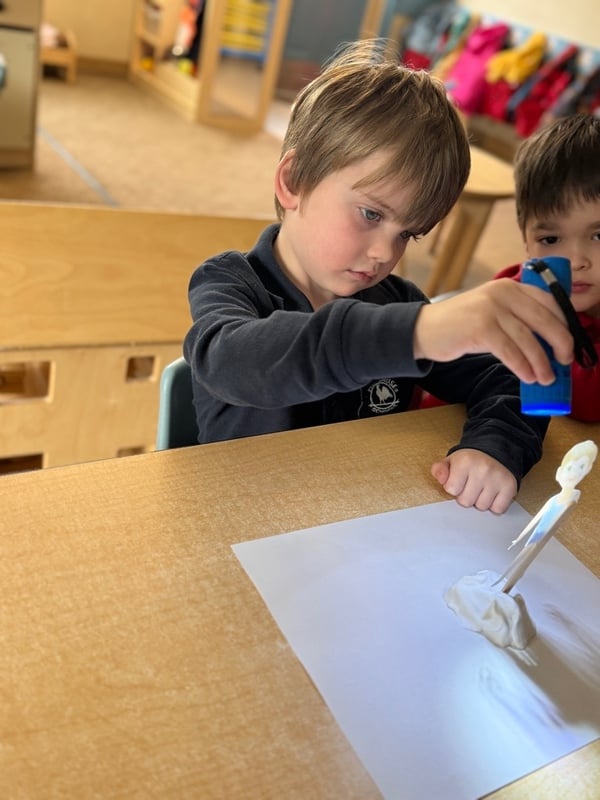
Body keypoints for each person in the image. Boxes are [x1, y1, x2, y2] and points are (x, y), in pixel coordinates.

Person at [184, 40, 574, 515]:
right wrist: (419, 332)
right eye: (371, 214)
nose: (385, 253)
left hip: (366, 523)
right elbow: (233, 363)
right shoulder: (229, 282)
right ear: (294, 181)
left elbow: (512, 379)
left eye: (407, 234)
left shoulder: (396, 301)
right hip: (241, 523)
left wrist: (495, 447)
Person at [494, 113, 600, 422]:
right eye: (550, 239)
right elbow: (585, 401)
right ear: (525, 238)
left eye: (598, 236)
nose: (575, 261)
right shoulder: (515, 299)